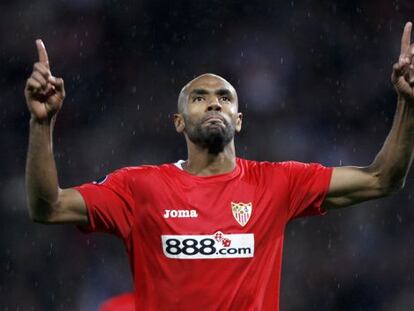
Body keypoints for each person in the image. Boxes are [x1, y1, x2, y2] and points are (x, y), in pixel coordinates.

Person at [25, 22, 414, 311]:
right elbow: (49, 207)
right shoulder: (139, 188)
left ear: (239, 119)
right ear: (178, 122)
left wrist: (408, 104)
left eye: (224, 98)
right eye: (199, 97)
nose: (214, 103)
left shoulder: (277, 183)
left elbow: (383, 179)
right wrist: (42, 124)